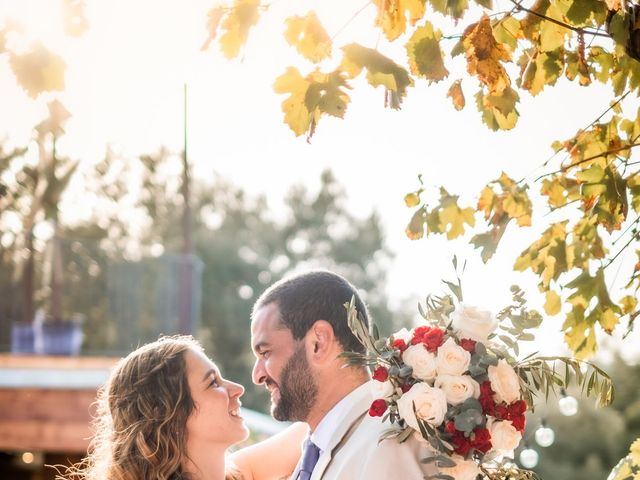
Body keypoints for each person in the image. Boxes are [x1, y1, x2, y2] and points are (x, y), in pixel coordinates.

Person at [249, 270, 437, 480]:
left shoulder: (388, 447)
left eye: (266, 353)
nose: (257, 376)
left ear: (318, 343)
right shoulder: (318, 449)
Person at [59, 335, 306, 480]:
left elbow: (317, 424)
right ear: (168, 413)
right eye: (213, 382)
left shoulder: (240, 474)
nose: (237, 389)